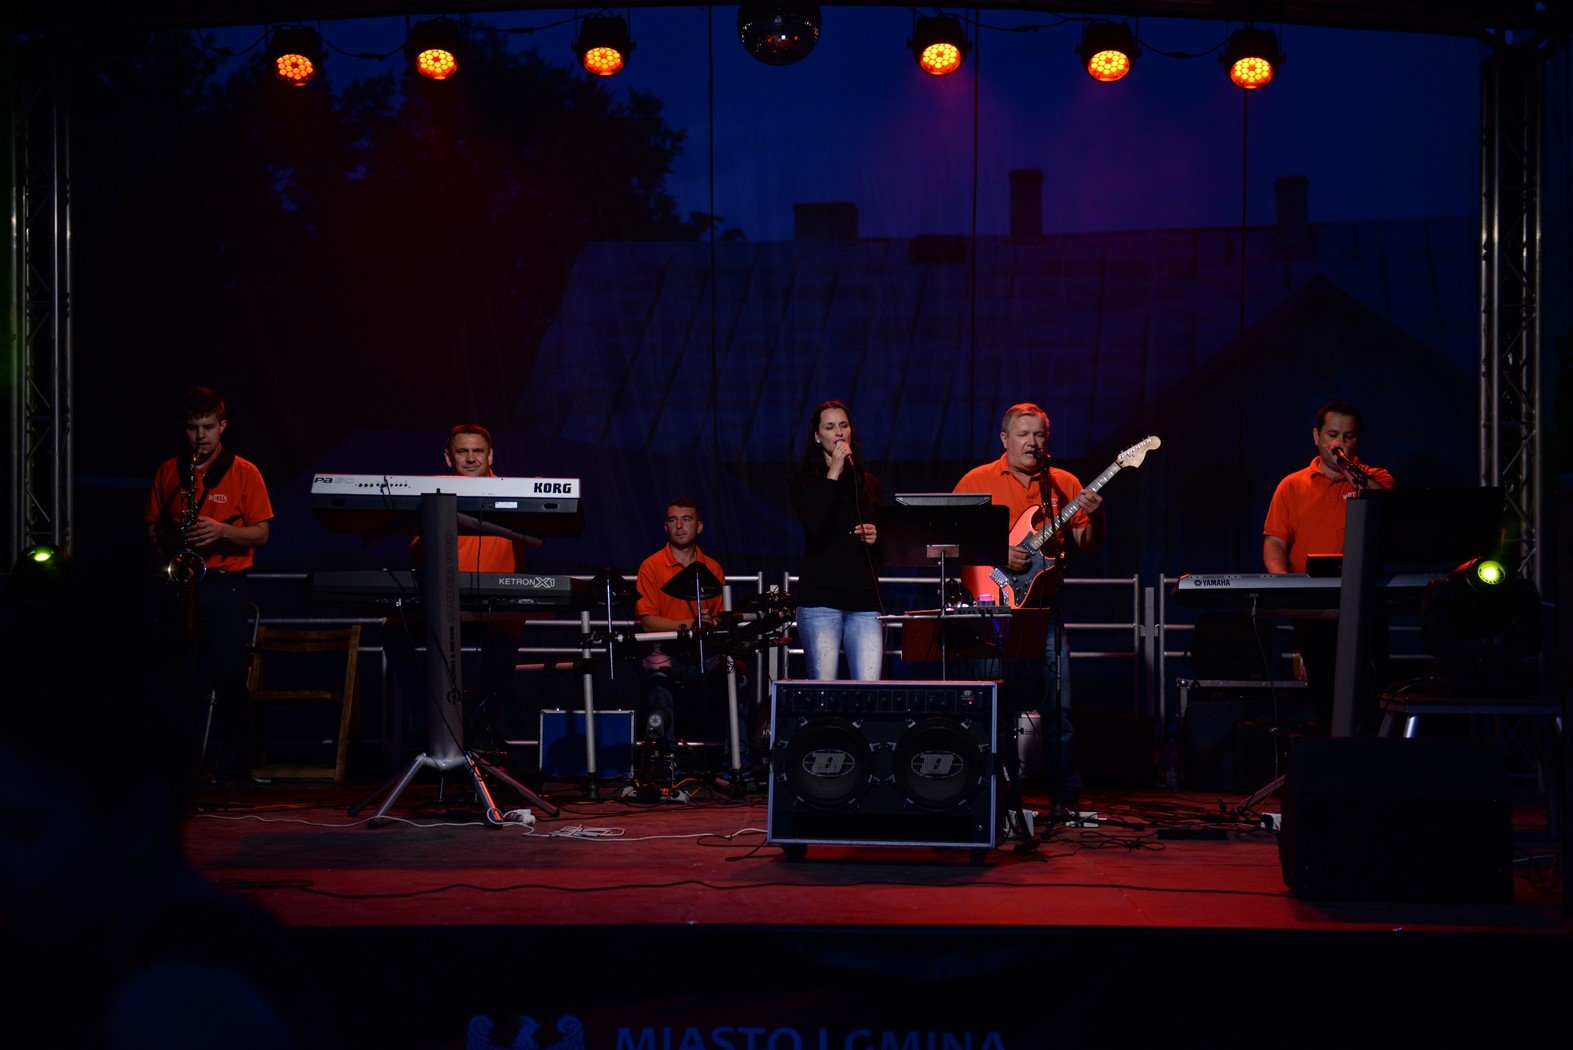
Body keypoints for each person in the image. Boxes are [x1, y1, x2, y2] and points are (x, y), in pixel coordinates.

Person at [953, 402, 1104, 818]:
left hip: (1045, 609)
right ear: (1005, 439)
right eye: (1023, 434)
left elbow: (1088, 545)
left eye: (1038, 434)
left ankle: (1065, 800)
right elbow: (951, 540)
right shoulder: (976, 481)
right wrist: (998, 552)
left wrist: (1097, 517)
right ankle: (996, 800)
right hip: (994, 611)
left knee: (1060, 709)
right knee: (992, 706)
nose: (1031, 442)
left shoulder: (1064, 484)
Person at [143, 386, 273, 792]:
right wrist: (169, 545)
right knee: (176, 678)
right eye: (192, 428)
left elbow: (261, 534)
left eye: (208, 427)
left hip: (223, 585)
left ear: (222, 426)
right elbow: (152, 528)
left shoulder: (245, 472)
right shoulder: (169, 471)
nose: (200, 436)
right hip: (179, 585)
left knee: (229, 676)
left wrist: (221, 531)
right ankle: (176, 768)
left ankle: (232, 768)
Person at [392, 424, 531, 752]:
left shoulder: (514, 492)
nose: (470, 458)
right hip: (439, 607)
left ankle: (481, 725)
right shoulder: (430, 492)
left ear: (490, 456)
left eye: (478, 451)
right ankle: (430, 719)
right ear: (448, 457)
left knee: (506, 634)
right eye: (462, 451)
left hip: (496, 610)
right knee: (393, 631)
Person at [1263, 401, 1394, 731]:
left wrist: (1352, 474)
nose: (1340, 444)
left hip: (1364, 600)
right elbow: (1275, 542)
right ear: (1316, 437)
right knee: (1324, 688)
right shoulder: (1292, 485)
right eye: (1333, 435)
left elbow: (1389, 510)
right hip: (1313, 607)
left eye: (1348, 436)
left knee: (1371, 686)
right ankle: (1330, 748)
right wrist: (1284, 584)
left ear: (1358, 439)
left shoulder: (1376, 478)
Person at [789, 400, 883, 680]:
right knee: (824, 688)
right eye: (830, 427)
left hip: (863, 600)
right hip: (821, 601)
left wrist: (876, 536)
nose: (839, 433)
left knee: (869, 688)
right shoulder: (805, 480)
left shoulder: (866, 482)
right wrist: (834, 472)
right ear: (817, 437)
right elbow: (816, 527)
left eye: (844, 425)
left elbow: (885, 541)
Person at [634, 498, 728, 750]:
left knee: (735, 673)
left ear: (699, 526)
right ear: (665, 526)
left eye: (686, 519)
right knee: (658, 668)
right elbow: (648, 623)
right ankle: (667, 756)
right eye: (673, 520)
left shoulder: (713, 567)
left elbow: (721, 619)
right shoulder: (651, 566)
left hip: (704, 653)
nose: (679, 526)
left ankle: (737, 756)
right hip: (666, 650)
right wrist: (690, 624)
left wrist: (711, 623)